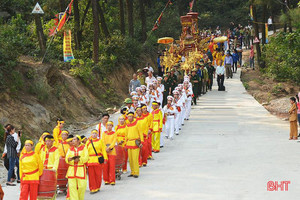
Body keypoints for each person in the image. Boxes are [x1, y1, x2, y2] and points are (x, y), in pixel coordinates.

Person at [65, 135, 89, 200]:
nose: (73, 141)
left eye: (74, 140)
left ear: (79, 141)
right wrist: (69, 159)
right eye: (72, 140)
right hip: (71, 170)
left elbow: (86, 158)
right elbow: (66, 158)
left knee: (82, 186)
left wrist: (80, 160)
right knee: (72, 187)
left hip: (80, 169)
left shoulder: (84, 148)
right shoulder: (70, 149)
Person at [125, 112, 143, 178]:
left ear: (133, 117)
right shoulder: (127, 125)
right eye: (128, 117)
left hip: (135, 142)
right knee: (130, 159)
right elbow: (126, 135)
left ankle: (136, 172)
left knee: (135, 158)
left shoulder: (137, 123)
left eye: (131, 116)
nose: (130, 118)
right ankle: (132, 172)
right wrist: (125, 144)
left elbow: (140, 133)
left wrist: (142, 142)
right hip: (129, 143)